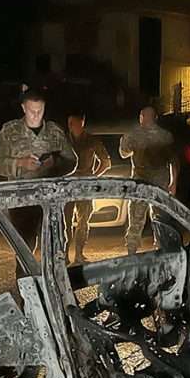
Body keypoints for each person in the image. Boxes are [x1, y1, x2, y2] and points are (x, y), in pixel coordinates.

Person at [0, 88, 77, 267]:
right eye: (31, 111)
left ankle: (54, 290)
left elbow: (73, 162)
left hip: (51, 199)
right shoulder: (9, 131)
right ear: (23, 108)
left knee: (55, 248)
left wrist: (55, 163)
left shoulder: (54, 132)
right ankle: (25, 291)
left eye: (39, 111)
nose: (36, 115)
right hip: (21, 201)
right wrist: (20, 163)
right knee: (25, 251)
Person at [119, 106, 178, 255]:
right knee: (158, 216)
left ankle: (132, 251)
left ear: (141, 117)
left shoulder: (134, 134)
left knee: (137, 217)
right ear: (155, 117)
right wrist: (173, 181)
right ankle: (160, 248)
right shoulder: (165, 135)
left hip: (142, 179)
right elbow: (174, 161)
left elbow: (123, 153)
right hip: (157, 179)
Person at [65, 112, 111, 264]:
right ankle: (64, 254)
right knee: (64, 222)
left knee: (83, 221)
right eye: (70, 122)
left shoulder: (92, 141)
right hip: (66, 186)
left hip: (85, 185)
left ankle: (79, 253)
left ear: (82, 122)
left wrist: (93, 176)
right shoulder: (63, 140)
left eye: (75, 122)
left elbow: (105, 162)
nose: (72, 125)